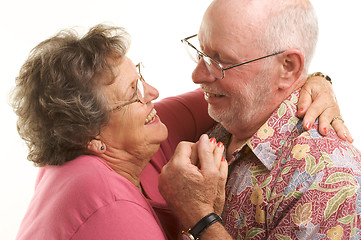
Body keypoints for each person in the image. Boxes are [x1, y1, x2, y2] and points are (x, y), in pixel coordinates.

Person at [11, 24, 346, 240]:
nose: (153, 92)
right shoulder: (110, 212)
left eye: (140, 76)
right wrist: (200, 216)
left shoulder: (129, 139)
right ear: (92, 136)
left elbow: (247, 91)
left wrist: (313, 80)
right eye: (134, 92)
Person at [158, 0, 361, 239]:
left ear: (288, 67)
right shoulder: (232, 110)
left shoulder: (328, 181)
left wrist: (200, 217)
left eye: (221, 61)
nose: (197, 75)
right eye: (200, 52)